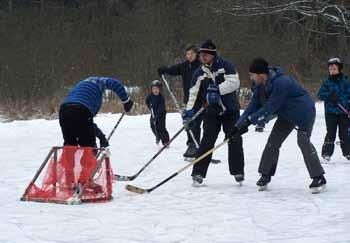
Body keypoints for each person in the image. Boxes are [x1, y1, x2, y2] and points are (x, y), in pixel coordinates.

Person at [232, 58, 326, 193]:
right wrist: (237, 126)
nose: (251, 78)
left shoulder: (282, 83)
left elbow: (271, 107)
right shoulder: (260, 86)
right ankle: (265, 175)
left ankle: (319, 177)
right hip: (286, 115)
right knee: (273, 142)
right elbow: (252, 106)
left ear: (260, 75)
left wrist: (250, 121)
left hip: (304, 112)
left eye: (252, 75)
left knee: (303, 141)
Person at [182, 40, 244, 186]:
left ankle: (238, 171)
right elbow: (193, 93)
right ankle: (198, 173)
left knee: (234, 139)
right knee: (207, 141)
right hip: (211, 112)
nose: (202, 57)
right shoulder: (199, 72)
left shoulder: (226, 65)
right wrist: (189, 111)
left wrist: (217, 89)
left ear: (213, 55)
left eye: (206, 55)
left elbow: (235, 82)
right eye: (201, 55)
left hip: (230, 111)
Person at [158, 45, 220, 163]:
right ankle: (192, 145)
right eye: (187, 54)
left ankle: (198, 147)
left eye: (191, 54)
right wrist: (164, 69)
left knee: (198, 124)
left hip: (202, 100)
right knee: (189, 123)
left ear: (196, 54)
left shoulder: (201, 66)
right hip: (189, 100)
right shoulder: (184, 66)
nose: (189, 56)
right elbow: (172, 70)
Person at [59, 76, 133, 147]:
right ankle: (88, 159)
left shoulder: (81, 85)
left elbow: (87, 123)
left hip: (64, 111)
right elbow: (115, 84)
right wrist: (126, 101)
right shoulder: (99, 82)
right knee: (89, 148)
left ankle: (67, 159)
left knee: (70, 146)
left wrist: (101, 137)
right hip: (81, 110)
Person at [317, 57, 350, 162]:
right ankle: (326, 153)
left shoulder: (345, 81)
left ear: (339, 69)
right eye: (330, 69)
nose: (332, 71)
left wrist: (342, 100)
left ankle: (348, 152)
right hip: (330, 112)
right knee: (331, 132)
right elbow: (320, 95)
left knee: (344, 133)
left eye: (334, 68)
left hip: (343, 112)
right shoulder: (327, 82)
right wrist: (330, 96)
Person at [145, 80, 170, 146]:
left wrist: (156, 116)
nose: (155, 90)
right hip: (153, 113)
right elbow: (147, 101)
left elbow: (161, 109)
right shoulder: (150, 96)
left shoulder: (161, 98)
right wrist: (150, 107)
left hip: (161, 115)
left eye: (156, 89)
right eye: (153, 89)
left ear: (160, 89)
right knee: (152, 125)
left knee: (161, 127)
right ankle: (158, 136)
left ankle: (165, 141)